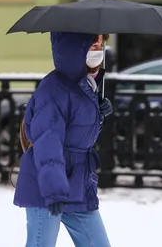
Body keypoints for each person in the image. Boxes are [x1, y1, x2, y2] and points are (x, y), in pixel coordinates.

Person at [14, 32, 113, 247]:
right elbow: (48, 140)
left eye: (100, 43)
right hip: (48, 183)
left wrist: (99, 114)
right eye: (92, 42)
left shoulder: (85, 84)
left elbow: (77, 135)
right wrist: (54, 188)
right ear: (75, 47)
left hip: (77, 183)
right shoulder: (54, 88)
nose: (98, 48)